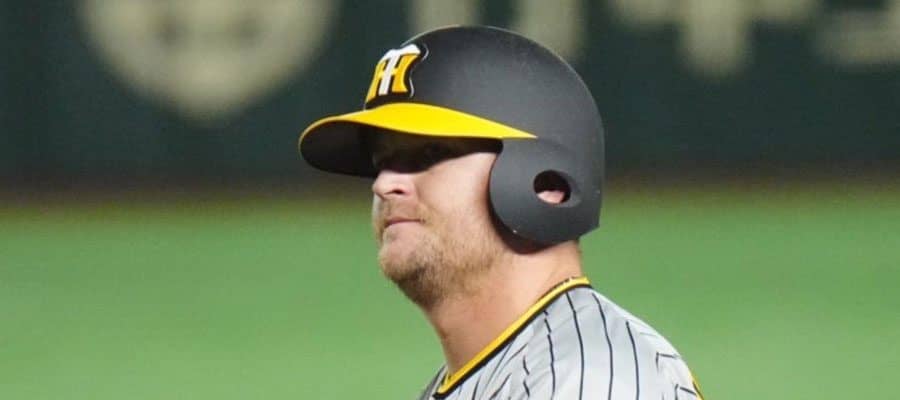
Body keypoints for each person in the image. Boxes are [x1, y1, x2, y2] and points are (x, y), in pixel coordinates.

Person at [298, 25, 703, 400]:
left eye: (429, 153)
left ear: (547, 183)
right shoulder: (514, 373)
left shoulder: (589, 380)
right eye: (382, 162)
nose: (384, 184)